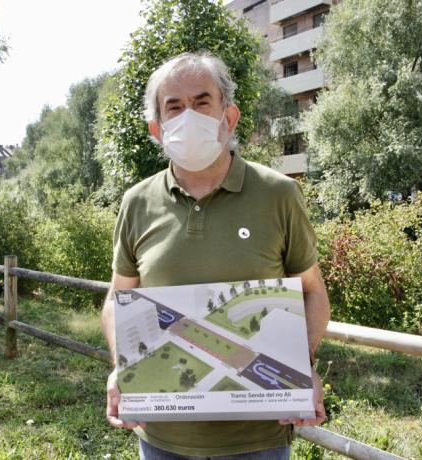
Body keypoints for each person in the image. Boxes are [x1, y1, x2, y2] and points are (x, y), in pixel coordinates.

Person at [101, 52, 331, 459]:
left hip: (257, 439)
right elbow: (117, 299)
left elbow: (312, 292)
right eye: (174, 106)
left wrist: (302, 367)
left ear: (229, 116)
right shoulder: (136, 202)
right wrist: (121, 367)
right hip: (162, 436)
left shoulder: (278, 194)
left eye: (202, 101)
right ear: (157, 129)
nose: (189, 115)